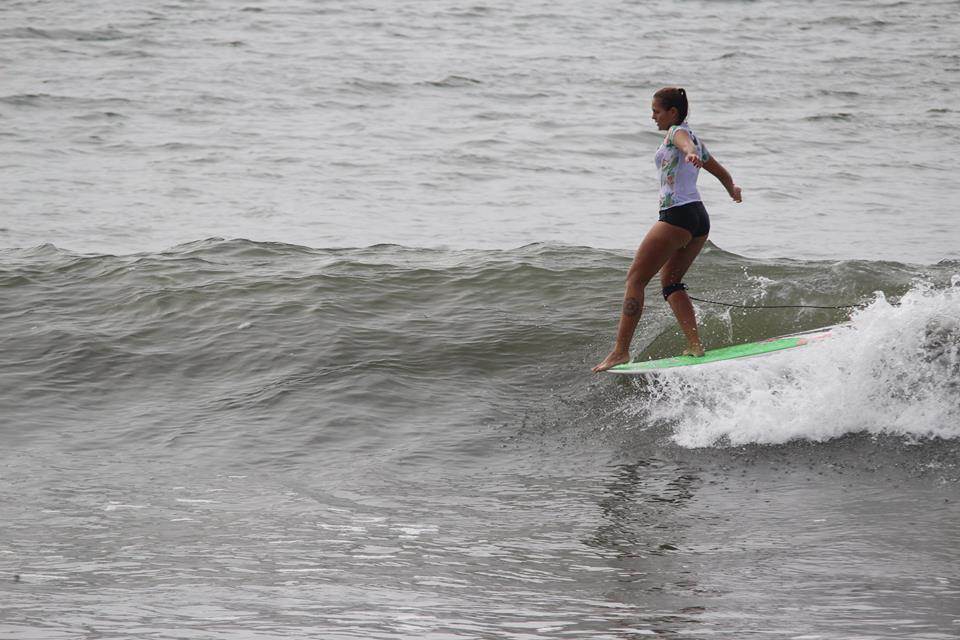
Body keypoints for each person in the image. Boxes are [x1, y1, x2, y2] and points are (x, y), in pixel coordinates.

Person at [593, 87, 742, 373]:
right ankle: (695, 344)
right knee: (671, 282)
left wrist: (689, 153)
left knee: (635, 279)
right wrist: (731, 189)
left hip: (677, 214)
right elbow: (720, 171)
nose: (653, 116)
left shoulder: (678, 133)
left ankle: (620, 351)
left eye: (656, 111)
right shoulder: (695, 139)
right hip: (699, 217)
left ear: (672, 112)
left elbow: (683, 143)